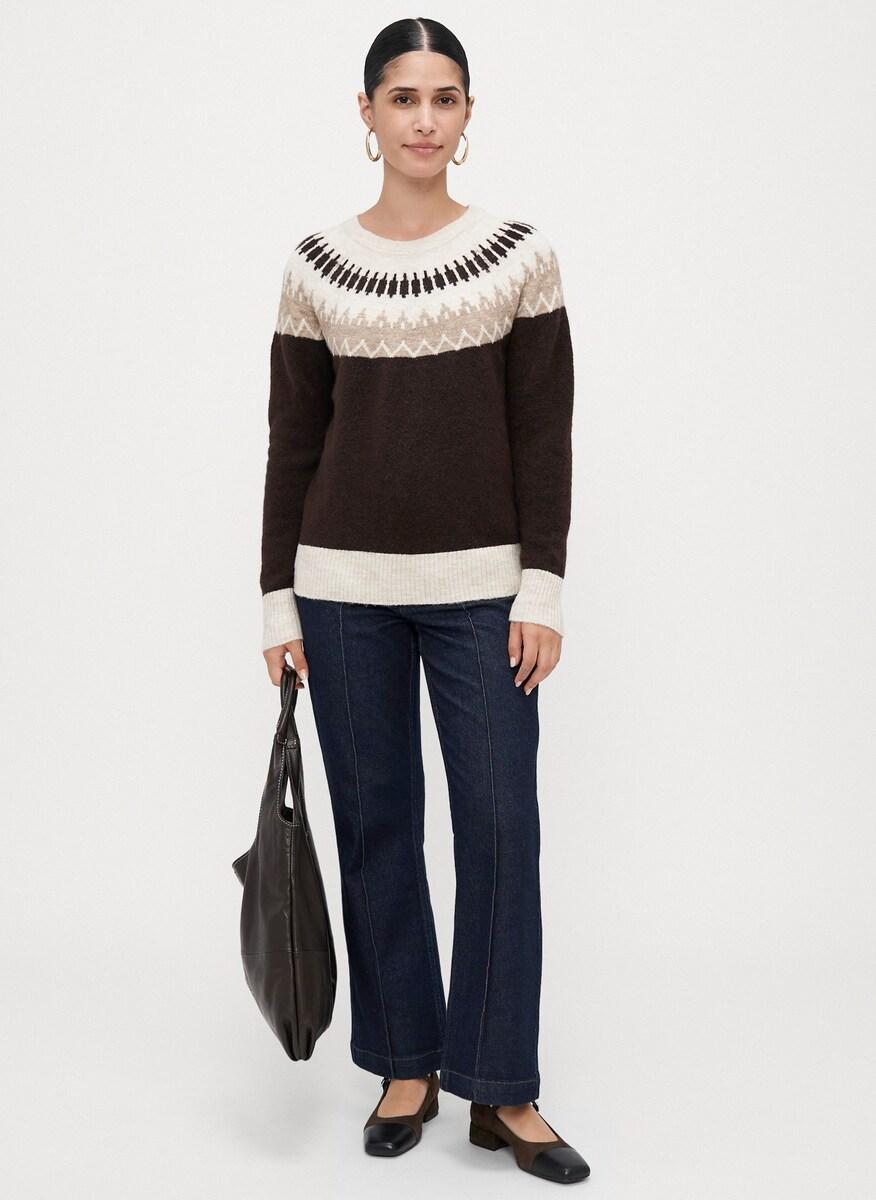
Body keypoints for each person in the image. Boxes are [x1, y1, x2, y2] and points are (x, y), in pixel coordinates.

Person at [258, 16, 590, 1185]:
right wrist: (278, 601)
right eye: (402, 97)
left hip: (484, 595)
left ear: (467, 114)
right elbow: (293, 443)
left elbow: (542, 434)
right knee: (378, 826)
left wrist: (542, 584)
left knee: (501, 826)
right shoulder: (316, 264)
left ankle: (503, 1088)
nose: (424, 119)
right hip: (340, 591)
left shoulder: (519, 256)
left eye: (444, 97)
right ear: (367, 114)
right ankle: (405, 1065)